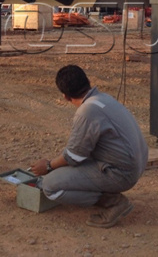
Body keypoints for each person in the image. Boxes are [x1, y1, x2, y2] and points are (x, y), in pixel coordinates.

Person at [30, 65, 148, 228]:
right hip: (135, 165)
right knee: (65, 168)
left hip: (121, 174)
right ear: (87, 82)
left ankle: (113, 203)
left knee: (50, 186)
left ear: (65, 96)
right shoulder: (104, 98)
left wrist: (49, 166)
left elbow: (74, 156)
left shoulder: (87, 111)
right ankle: (107, 193)